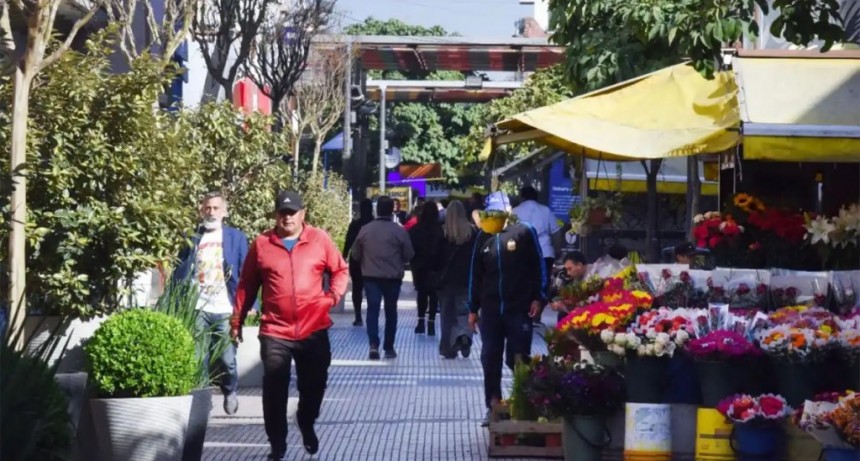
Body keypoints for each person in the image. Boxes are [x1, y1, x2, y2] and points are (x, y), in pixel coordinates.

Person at [230, 191, 348, 460]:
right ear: (276, 215)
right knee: (274, 388)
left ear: (302, 214)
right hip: (275, 330)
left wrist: (332, 297)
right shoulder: (262, 244)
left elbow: (340, 270)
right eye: (282, 213)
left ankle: (306, 420)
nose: (287, 218)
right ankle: (277, 444)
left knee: (315, 385)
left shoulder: (319, 239)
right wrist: (237, 319)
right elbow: (247, 284)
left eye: (292, 213)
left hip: (313, 328)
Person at [468, 191, 546, 426]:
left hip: (519, 307)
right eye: (490, 213)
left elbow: (538, 266)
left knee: (518, 358)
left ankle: (524, 403)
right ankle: (492, 404)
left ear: (509, 211)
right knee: (489, 357)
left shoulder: (524, 232)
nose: (494, 217)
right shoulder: (484, 236)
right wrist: (473, 308)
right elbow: (475, 274)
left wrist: (538, 297)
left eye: (498, 212)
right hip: (491, 310)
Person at [173, 191, 248, 416]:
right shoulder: (192, 237)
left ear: (224, 212)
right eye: (207, 208)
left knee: (227, 357)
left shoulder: (236, 237)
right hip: (198, 306)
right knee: (199, 355)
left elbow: (246, 272)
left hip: (225, 307)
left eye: (216, 208)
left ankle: (230, 390)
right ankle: (204, 398)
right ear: (201, 210)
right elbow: (180, 269)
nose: (211, 212)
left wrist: (248, 304)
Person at [351, 196, 415, 360]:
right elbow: (409, 254)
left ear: (377, 209)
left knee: (372, 310)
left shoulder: (365, 230)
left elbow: (356, 254)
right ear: (391, 209)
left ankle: (373, 344)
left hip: (371, 277)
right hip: (393, 278)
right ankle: (389, 346)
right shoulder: (399, 231)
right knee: (391, 311)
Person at [435, 200, 478, 359]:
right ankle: (464, 337)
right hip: (467, 279)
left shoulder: (443, 233)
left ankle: (447, 347)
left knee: (447, 315)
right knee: (464, 312)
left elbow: (436, 258)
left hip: (446, 281)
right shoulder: (472, 233)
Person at [513, 186, 561, 325]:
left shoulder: (515, 211)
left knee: (523, 282)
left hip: (521, 254)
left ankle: (523, 311)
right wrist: (556, 250)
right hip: (545, 252)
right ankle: (537, 314)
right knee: (542, 283)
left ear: (522, 197)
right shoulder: (545, 210)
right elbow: (556, 233)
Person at [409, 202, 444, 336]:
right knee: (434, 295)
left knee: (421, 293)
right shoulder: (440, 230)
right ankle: (431, 323)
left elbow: (410, 248)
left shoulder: (416, 230)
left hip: (419, 267)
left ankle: (420, 321)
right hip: (435, 267)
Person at [343, 199, 375, 326]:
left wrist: (344, 256)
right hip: (372, 260)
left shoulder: (355, 224)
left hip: (356, 260)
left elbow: (348, 242)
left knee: (357, 288)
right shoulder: (375, 224)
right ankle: (372, 315)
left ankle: (358, 316)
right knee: (372, 288)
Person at [548, 251, 588, 322]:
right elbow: (552, 295)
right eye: (567, 269)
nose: (568, 273)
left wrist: (565, 308)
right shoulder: (565, 276)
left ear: (579, 265)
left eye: (570, 269)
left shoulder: (593, 277)